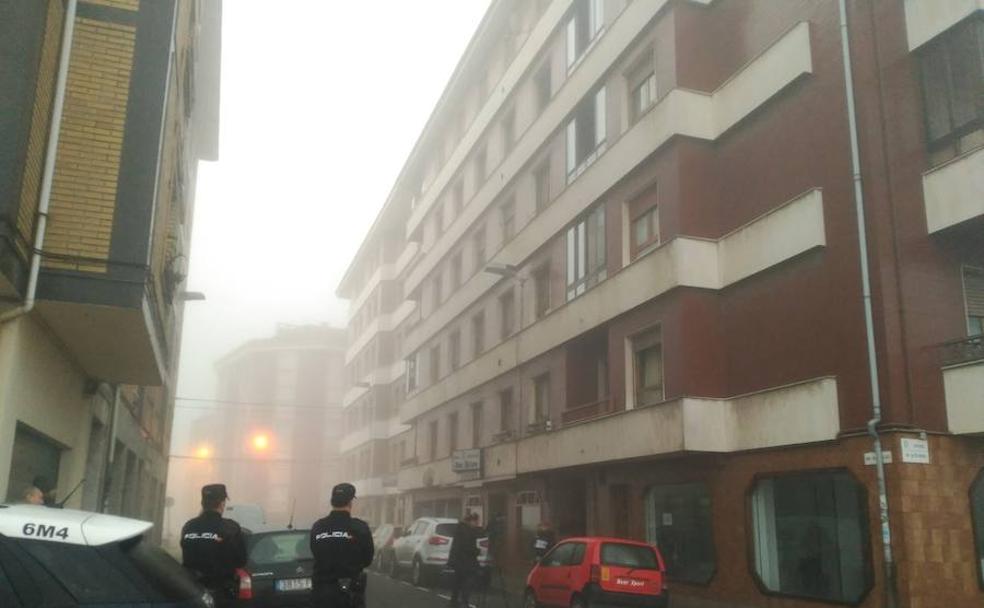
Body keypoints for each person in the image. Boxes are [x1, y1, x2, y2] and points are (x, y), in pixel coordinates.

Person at [180, 484, 248, 605]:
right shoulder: (230, 528)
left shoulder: (188, 526)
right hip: (222, 594)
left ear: (202, 504)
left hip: (193, 593)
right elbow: (241, 560)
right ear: (222, 504)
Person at [310, 483, 374, 608]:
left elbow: (315, 551)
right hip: (350, 594)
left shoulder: (318, 527)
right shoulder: (360, 528)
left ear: (332, 502)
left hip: (322, 592)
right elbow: (368, 559)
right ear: (350, 502)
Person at [448, 512, 481, 608]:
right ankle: (464, 603)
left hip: (459, 561)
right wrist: (477, 551)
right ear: (471, 521)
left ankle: (453, 602)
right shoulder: (467, 531)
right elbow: (467, 547)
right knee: (467, 583)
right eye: (476, 522)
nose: (477, 524)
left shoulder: (460, 528)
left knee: (458, 582)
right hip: (465, 562)